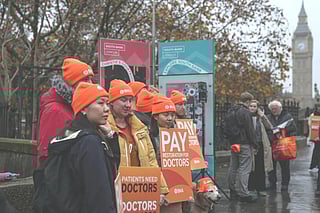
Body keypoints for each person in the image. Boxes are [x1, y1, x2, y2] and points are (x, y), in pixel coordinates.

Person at [54, 82, 117, 212]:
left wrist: (110, 137)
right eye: (100, 103)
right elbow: (99, 194)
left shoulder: (68, 134)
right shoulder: (90, 142)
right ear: (83, 108)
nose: (106, 109)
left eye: (107, 103)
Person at [107, 80, 168, 204]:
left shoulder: (140, 128)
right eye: (123, 100)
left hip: (141, 192)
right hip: (116, 194)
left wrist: (161, 189)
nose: (128, 105)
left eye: (130, 100)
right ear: (111, 102)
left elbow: (151, 160)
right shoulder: (104, 128)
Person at [38, 57, 93, 166]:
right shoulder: (55, 111)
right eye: (85, 80)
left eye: (91, 79)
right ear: (71, 83)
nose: (91, 84)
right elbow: (48, 154)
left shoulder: (71, 106)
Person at [149, 95, 182, 213]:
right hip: (157, 183)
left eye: (172, 115)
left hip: (175, 185)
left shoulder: (178, 135)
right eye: (166, 115)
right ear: (156, 116)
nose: (170, 118)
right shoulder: (149, 136)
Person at [226, 92, 259, 203]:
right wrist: (255, 144)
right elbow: (250, 130)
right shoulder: (245, 112)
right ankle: (244, 193)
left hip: (234, 143)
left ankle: (232, 189)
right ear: (248, 101)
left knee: (233, 167)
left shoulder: (231, 110)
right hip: (244, 143)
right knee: (244, 168)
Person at [267, 100, 297, 191]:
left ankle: (285, 184)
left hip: (284, 146)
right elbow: (266, 130)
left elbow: (294, 130)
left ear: (280, 108)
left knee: (285, 167)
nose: (274, 110)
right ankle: (272, 183)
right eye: (272, 109)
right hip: (272, 145)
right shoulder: (268, 118)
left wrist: (284, 132)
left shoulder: (287, 117)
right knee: (271, 167)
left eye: (276, 108)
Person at [247, 100, 273, 197]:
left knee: (260, 167)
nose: (253, 108)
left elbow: (269, 126)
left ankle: (261, 188)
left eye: (254, 106)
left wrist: (263, 116)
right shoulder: (246, 117)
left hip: (261, 144)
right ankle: (251, 188)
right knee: (251, 168)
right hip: (250, 145)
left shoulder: (260, 118)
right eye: (251, 106)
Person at [309, 106, 320, 171]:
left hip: (316, 137)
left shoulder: (313, 115)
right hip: (317, 137)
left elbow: (310, 124)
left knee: (316, 151)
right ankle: (316, 165)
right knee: (317, 150)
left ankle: (314, 165)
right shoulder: (313, 115)